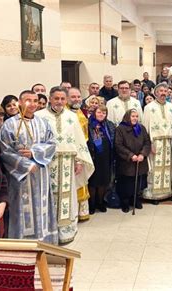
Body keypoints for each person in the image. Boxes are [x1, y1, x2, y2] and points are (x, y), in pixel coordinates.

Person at [36, 87, 94, 244]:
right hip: (47, 163)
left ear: (66, 100)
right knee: (48, 195)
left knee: (67, 195)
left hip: (68, 163)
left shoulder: (72, 116)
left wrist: (79, 160)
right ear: (50, 98)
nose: (59, 102)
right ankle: (49, 230)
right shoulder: (39, 116)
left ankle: (66, 230)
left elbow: (78, 140)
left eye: (62, 99)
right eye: (56, 98)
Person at [0, 90, 58, 244]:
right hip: (21, 177)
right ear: (19, 102)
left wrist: (34, 153)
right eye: (28, 100)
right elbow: (5, 151)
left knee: (42, 205)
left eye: (35, 101)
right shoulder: (9, 124)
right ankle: (22, 244)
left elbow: (52, 144)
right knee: (23, 208)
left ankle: (45, 241)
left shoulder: (43, 123)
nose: (32, 104)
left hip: (41, 173)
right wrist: (26, 165)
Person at [142, 83, 172, 203]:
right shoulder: (148, 107)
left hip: (169, 142)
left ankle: (167, 192)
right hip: (155, 143)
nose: (163, 93)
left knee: (168, 167)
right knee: (154, 168)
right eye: (160, 91)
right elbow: (145, 127)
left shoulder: (171, 106)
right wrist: (148, 144)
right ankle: (154, 194)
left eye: (165, 91)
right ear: (155, 93)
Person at [115, 109, 151, 213]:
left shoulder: (141, 128)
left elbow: (147, 142)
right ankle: (125, 202)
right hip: (127, 162)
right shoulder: (120, 129)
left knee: (139, 182)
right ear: (127, 117)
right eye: (132, 116)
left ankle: (135, 199)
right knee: (127, 184)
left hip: (140, 160)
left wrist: (142, 154)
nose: (135, 118)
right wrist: (131, 155)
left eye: (136, 116)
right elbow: (118, 145)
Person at [67, 87, 91, 221]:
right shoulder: (65, 114)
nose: (76, 99)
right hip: (69, 153)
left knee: (81, 181)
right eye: (73, 97)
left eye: (78, 96)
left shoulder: (81, 112)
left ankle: (81, 212)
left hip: (82, 151)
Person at [87, 105, 115, 214]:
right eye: (99, 112)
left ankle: (101, 202)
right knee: (93, 182)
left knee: (103, 181)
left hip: (106, 157)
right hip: (93, 157)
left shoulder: (109, 125)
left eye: (104, 113)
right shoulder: (88, 124)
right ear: (94, 113)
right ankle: (92, 204)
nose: (101, 114)